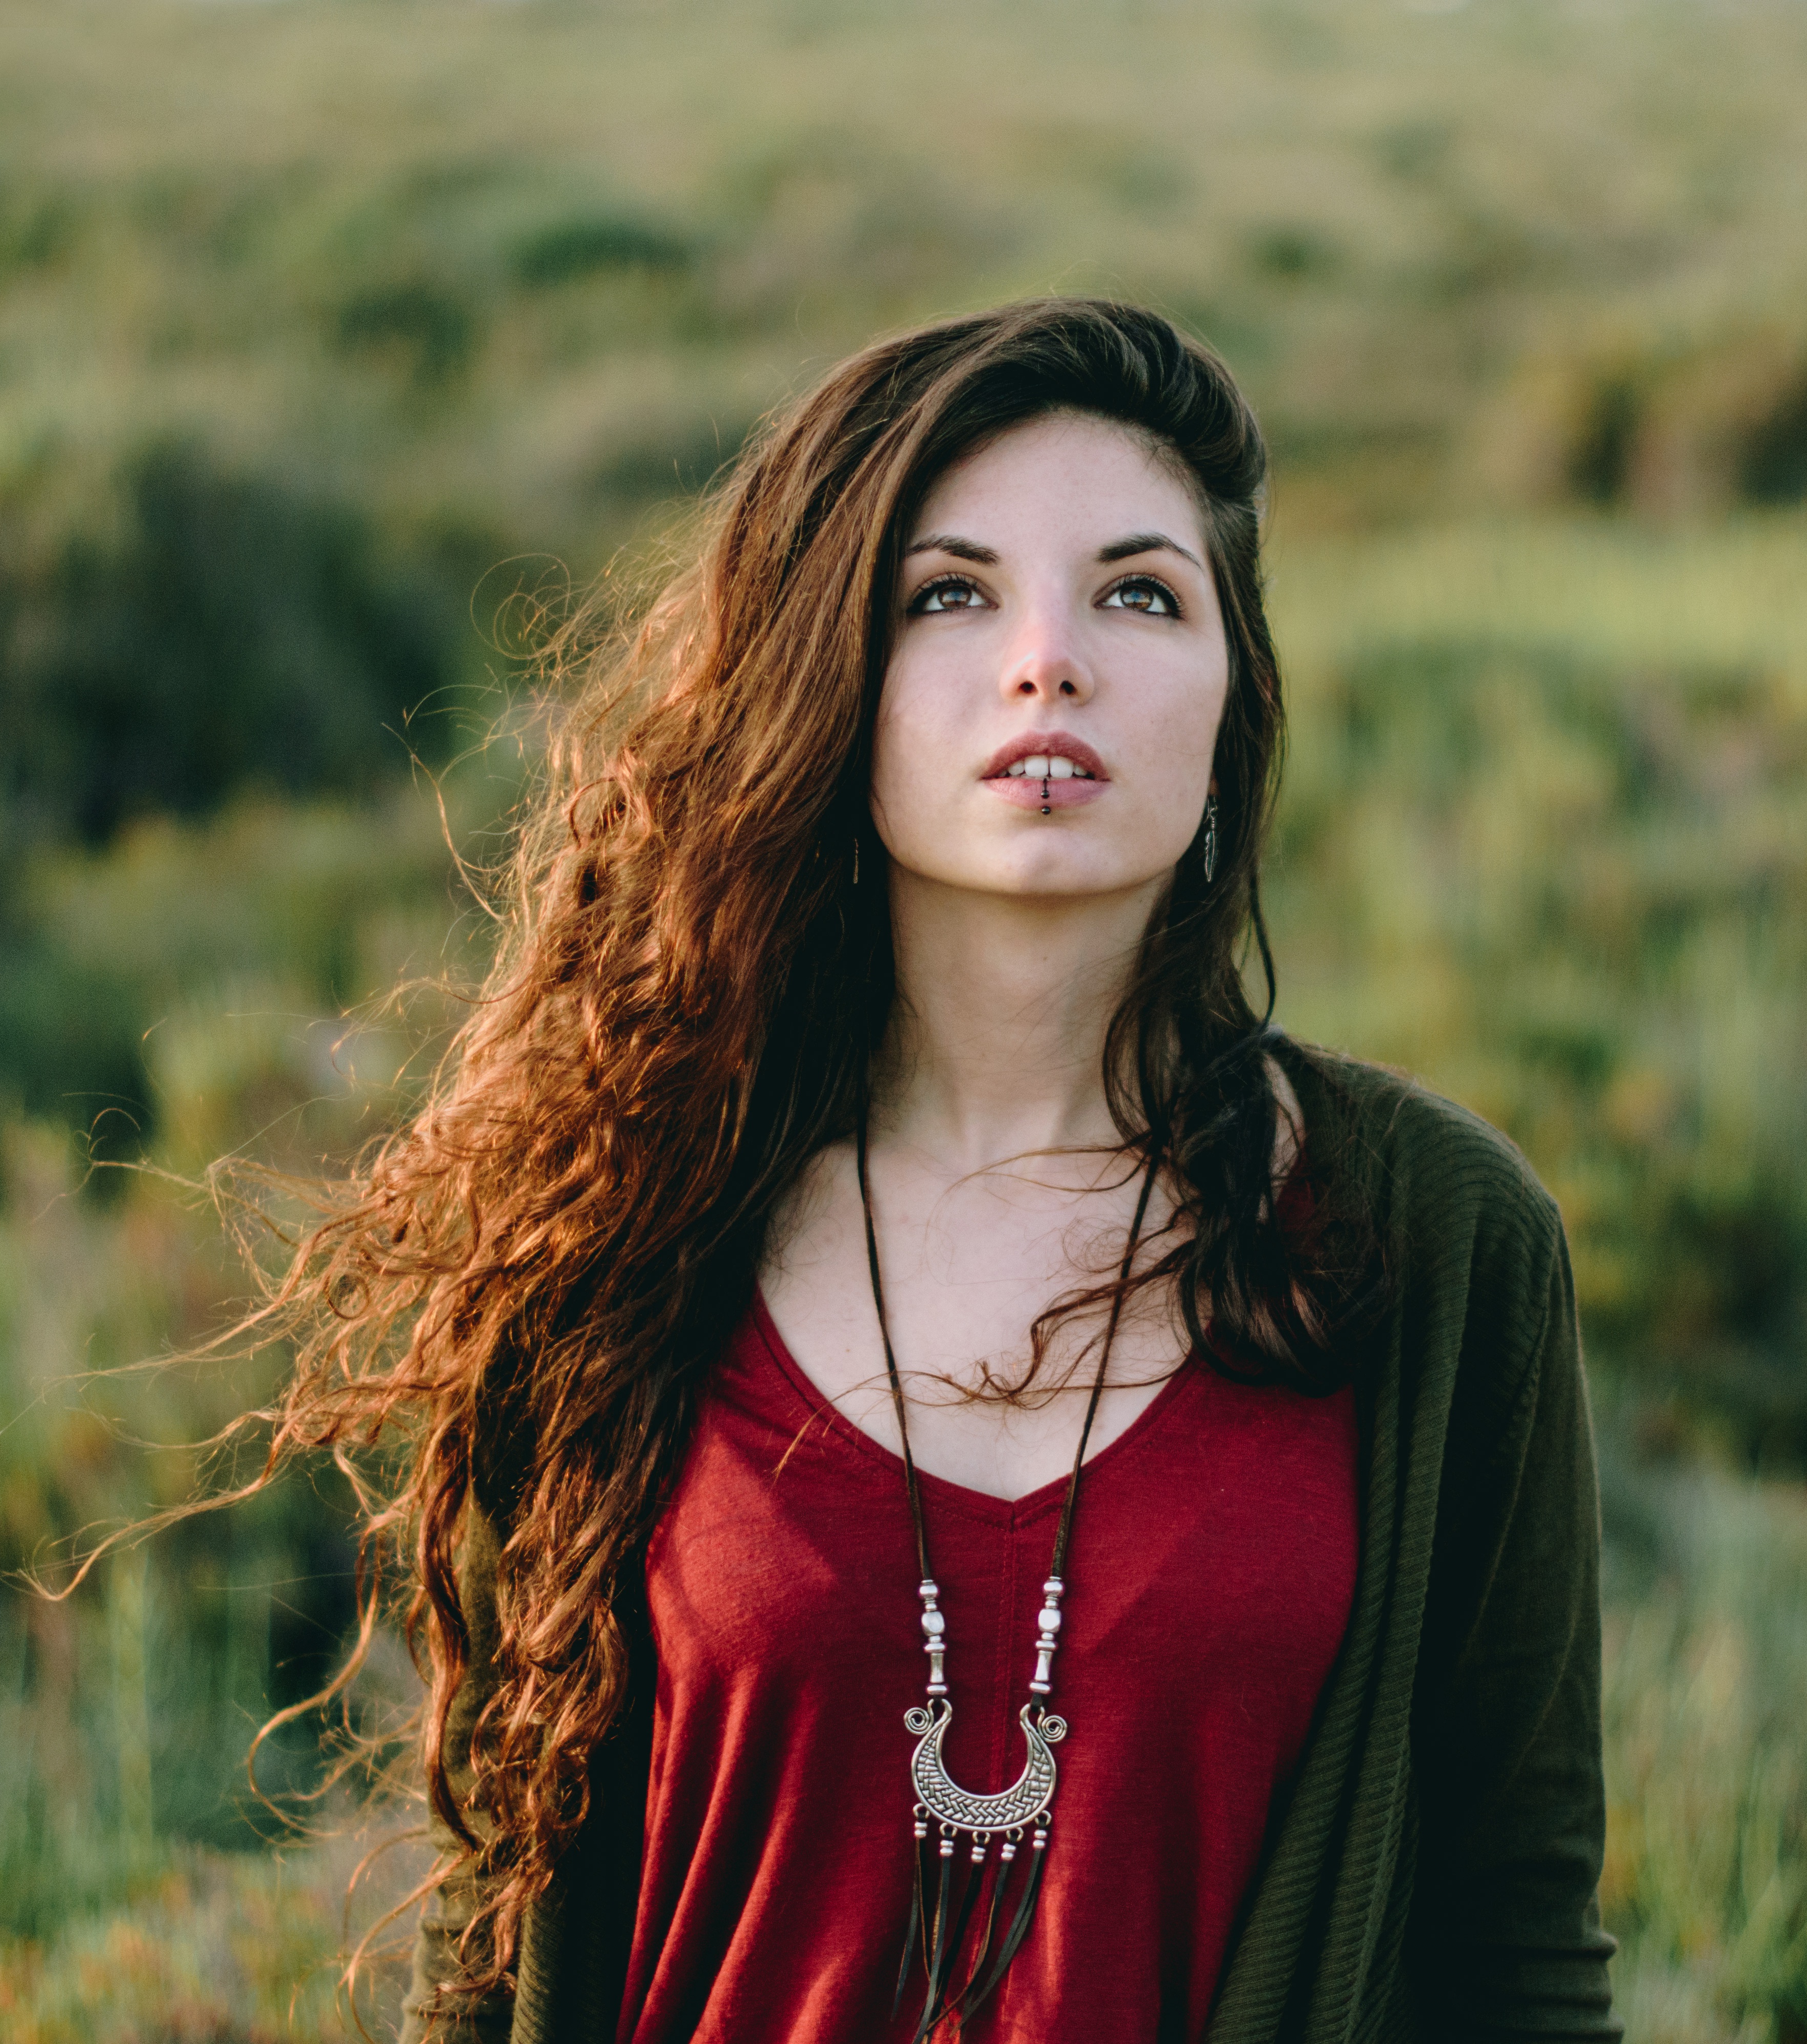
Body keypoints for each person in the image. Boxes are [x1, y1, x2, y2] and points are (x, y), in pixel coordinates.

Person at [255, 297, 1618, 2042]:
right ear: (834, 684)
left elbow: (1520, 1952)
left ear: (1231, 702)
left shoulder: (1441, 1240)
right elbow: (505, 1930)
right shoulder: (633, 1215)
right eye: (950, 594)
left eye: (1140, 593)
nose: (1048, 659)